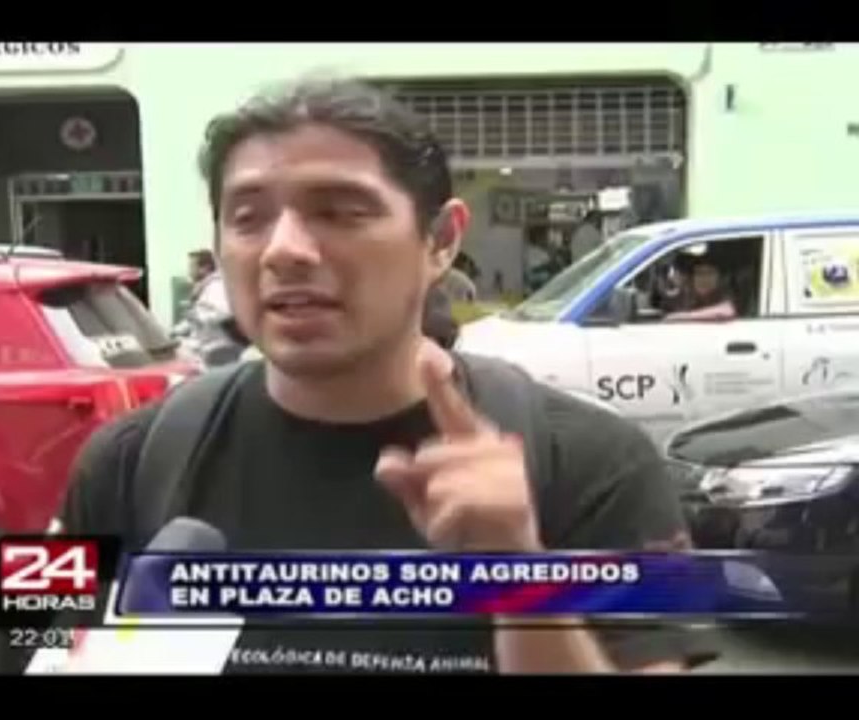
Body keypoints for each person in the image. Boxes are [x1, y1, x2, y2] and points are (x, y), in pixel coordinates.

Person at [55, 77, 719, 674]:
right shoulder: (122, 463)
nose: (285, 249)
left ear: (440, 240)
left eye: (341, 211)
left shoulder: (598, 464)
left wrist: (517, 570)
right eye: (248, 216)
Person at [663, 256, 737, 322]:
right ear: (692, 278)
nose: (704, 278)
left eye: (710, 273)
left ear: (719, 278)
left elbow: (726, 310)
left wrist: (682, 317)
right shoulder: (685, 296)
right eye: (699, 273)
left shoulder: (722, 293)